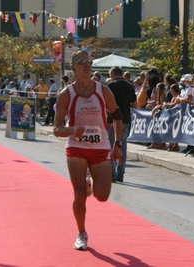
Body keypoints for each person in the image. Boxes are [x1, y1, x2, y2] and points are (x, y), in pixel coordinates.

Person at [53, 51, 123, 251]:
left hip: (100, 146)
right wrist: (72, 130)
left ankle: (90, 182)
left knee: (102, 196)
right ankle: (81, 233)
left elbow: (117, 117)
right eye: (81, 62)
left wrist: (117, 145)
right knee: (79, 195)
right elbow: (57, 129)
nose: (86, 65)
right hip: (76, 147)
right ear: (73, 67)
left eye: (89, 62)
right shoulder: (66, 94)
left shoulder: (104, 91)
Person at [107, 66, 138, 182]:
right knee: (122, 145)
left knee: (111, 145)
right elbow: (135, 105)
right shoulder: (130, 86)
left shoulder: (111, 85)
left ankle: (112, 174)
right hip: (126, 119)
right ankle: (121, 173)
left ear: (114, 74)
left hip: (113, 119)